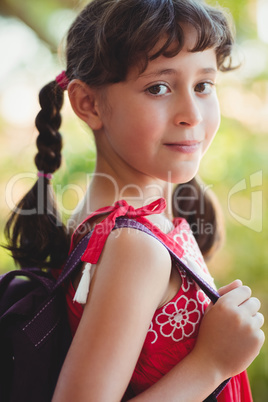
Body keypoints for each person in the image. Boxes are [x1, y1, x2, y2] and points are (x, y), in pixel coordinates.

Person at [5, 0, 265, 400]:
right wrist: (211, 363)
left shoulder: (102, 223)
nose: (191, 113)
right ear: (88, 104)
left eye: (203, 86)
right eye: (158, 87)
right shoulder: (136, 246)